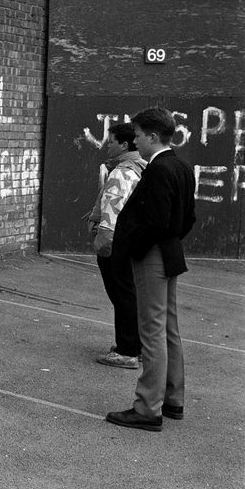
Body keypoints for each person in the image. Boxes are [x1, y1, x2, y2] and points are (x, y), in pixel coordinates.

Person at [105, 107, 196, 432]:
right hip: (171, 251)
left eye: (140, 136)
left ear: (153, 136)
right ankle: (172, 398)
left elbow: (154, 220)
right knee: (168, 327)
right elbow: (187, 218)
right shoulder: (181, 167)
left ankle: (147, 407)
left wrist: (136, 249)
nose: (136, 141)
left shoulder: (159, 170)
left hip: (154, 256)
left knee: (152, 330)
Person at [87, 122, 146, 369]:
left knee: (122, 295)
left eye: (111, 141)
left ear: (124, 144)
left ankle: (127, 350)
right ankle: (136, 346)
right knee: (129, 294)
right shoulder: (141, 167)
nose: (107, 145)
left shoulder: (123, 171)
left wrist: (103, 242)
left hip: (116, 243)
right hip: (130, 240)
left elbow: (113, 210)